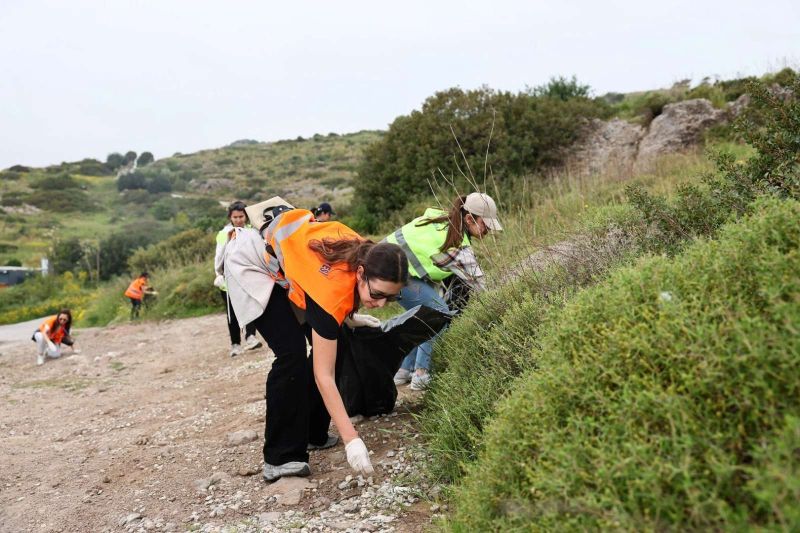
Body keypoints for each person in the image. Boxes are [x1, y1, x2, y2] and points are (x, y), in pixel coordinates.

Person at [254, 207, 408, 482]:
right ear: (361, 273)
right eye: (377, 294)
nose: (382, 304)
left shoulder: (366, 252)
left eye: (391, 298)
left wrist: (349, 318)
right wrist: (352, 439)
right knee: (292, 356)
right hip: (252, 261)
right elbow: (323, 376)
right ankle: (280, 458)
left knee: (335, 345)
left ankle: (314, 433)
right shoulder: (332, 294)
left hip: (287, 260)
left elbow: (330, 284)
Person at [386, 192, 502, 390]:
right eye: (485, 224)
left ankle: (403, 371)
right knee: (437, 314)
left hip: (387, 264)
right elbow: (481, 286)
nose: (488, 230)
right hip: (391, 272)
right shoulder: (457, 245)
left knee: (421, 318)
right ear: (469, 218)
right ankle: (421, 374)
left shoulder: (442, 220)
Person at [214, 201, 261, 356]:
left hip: (247, 278)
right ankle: (235, 344)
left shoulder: (252, 231)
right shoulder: (224, 233)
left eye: (241, 216)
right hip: (228, 281)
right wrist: (218, 274)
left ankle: (251, 337)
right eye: (235, 217)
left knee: (250, 307)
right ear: (230, 217)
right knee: (232, 314)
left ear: (246, 216)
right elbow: (219, 255)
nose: (239, 220)